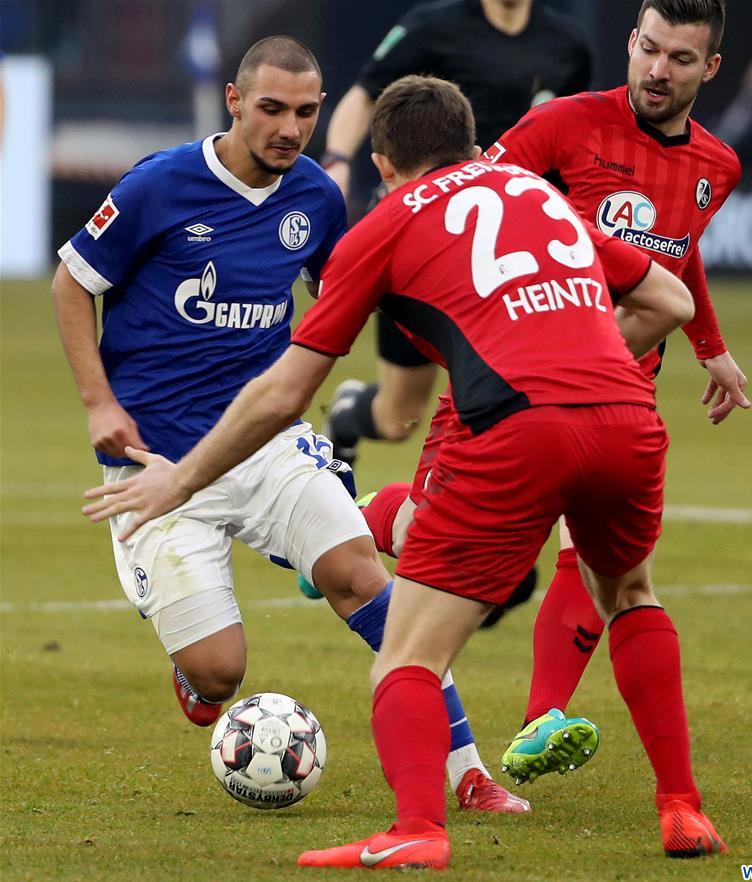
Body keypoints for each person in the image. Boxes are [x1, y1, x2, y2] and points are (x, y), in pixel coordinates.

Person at [81, 74, 727, 867]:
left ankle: (418, 826)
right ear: (472, 143)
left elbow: (287, 393)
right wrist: (576, 361)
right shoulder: (540, 195)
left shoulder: (385, 223)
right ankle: (682, 810)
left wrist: (180, 481)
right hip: (625, 415)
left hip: (517, 432)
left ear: (384, 165)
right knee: (629, 595)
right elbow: (669, 301)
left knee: (407, 652)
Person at [54, 37, 525, 815]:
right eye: (271, 108)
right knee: (219, 670)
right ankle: (200, 680)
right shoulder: (158, 186)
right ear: (234, 101)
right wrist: (98, 402)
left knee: (368, 584)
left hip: (266, 443)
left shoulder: (314, 196)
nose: (289, 128)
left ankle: (467, 772)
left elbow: (354, 290)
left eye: (305, 112)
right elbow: (72, 282)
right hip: (158, 463)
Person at [353, 0, 752, 782]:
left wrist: (711, 347)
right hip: (508, 377)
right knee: (432, 531)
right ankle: (357, 521)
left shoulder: (718, 167)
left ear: (709, 68)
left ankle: (542, 718)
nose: (656, 70)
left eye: (678, 58)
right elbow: (471, 193)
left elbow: (677, 256)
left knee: (606, 566)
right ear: (630, 43)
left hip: (616, 391)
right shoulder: (563, 125)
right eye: (647, 48)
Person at [320, 0, 591, 465]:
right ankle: (348, 417)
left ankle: (478, 490)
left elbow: (572, 133)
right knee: (398, 417)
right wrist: (338, 161)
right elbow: (365, 93)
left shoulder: (569, 44)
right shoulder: (432, 26)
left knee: (512, 382)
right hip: (427, 237)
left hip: (515, 242)